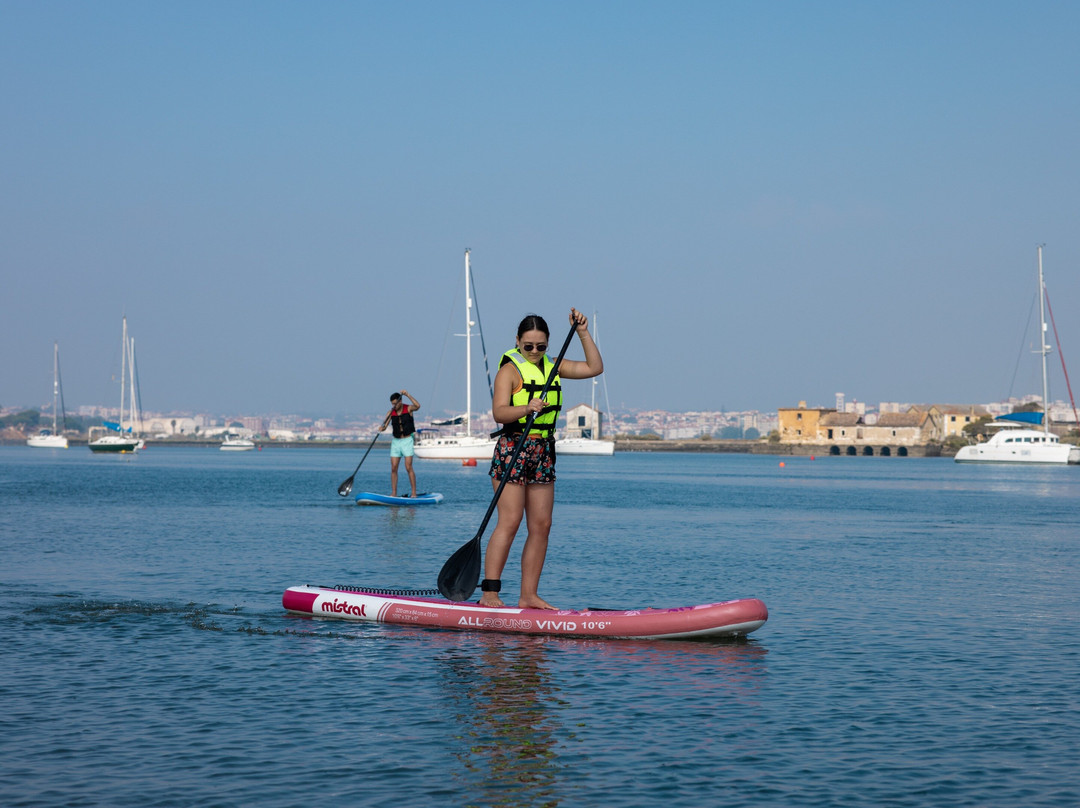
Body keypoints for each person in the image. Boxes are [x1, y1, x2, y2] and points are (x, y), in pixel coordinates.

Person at [480, 308, 603, 609]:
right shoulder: (508, 371)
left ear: (548, 344)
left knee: (542, 524)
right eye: (529, 346)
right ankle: (490, 594)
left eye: (541, 347)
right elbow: (499, 412)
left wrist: (583, 332)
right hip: (513, 448)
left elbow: (594, 367)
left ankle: (528, 595)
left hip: (543, 451)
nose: (535, 352)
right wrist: (525, 408)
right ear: (518, 342)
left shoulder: (554, 367)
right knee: (510, 521)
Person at [379, 390, 420, 497]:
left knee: (408, 467)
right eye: (392, 404)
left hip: (407, 440)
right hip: (396, 442)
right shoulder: (390, 412)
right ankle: (394, 493)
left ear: (400, 401)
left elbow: (418, 406)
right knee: (393, 468)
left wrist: (408, 395)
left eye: (395, 403)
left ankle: (414, 493)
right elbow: (385, 425)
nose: (394, 406)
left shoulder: (409, 408)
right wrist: (382, 428)